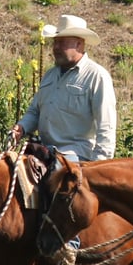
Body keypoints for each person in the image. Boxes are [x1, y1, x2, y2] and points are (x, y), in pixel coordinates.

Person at [10, 14, 117, 163]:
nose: (56, 48)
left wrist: (98, 167)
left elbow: (106, 127)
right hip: (43, 151)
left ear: (79, 44)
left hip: (76, 157)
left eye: (62, 43)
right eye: (55, 42)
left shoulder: (97, 76)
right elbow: (35, 112)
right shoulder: (50, 75)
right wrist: (22, 127)